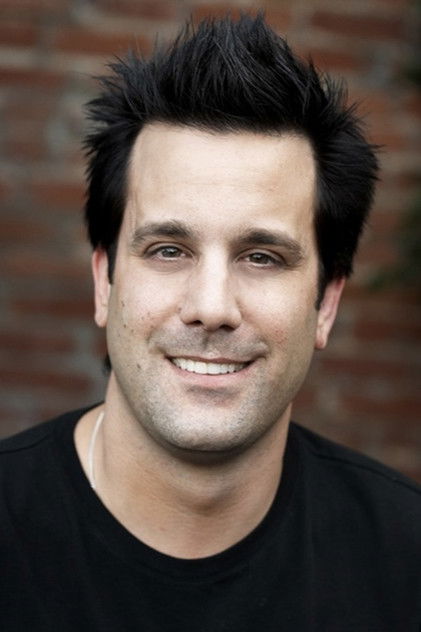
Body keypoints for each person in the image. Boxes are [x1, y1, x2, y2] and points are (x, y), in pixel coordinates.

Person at [1, 13, 420, 631]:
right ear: (104, 282)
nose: (213, 307)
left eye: (262, 257)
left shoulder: (405, 560)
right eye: (168, 250)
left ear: (325, 304)